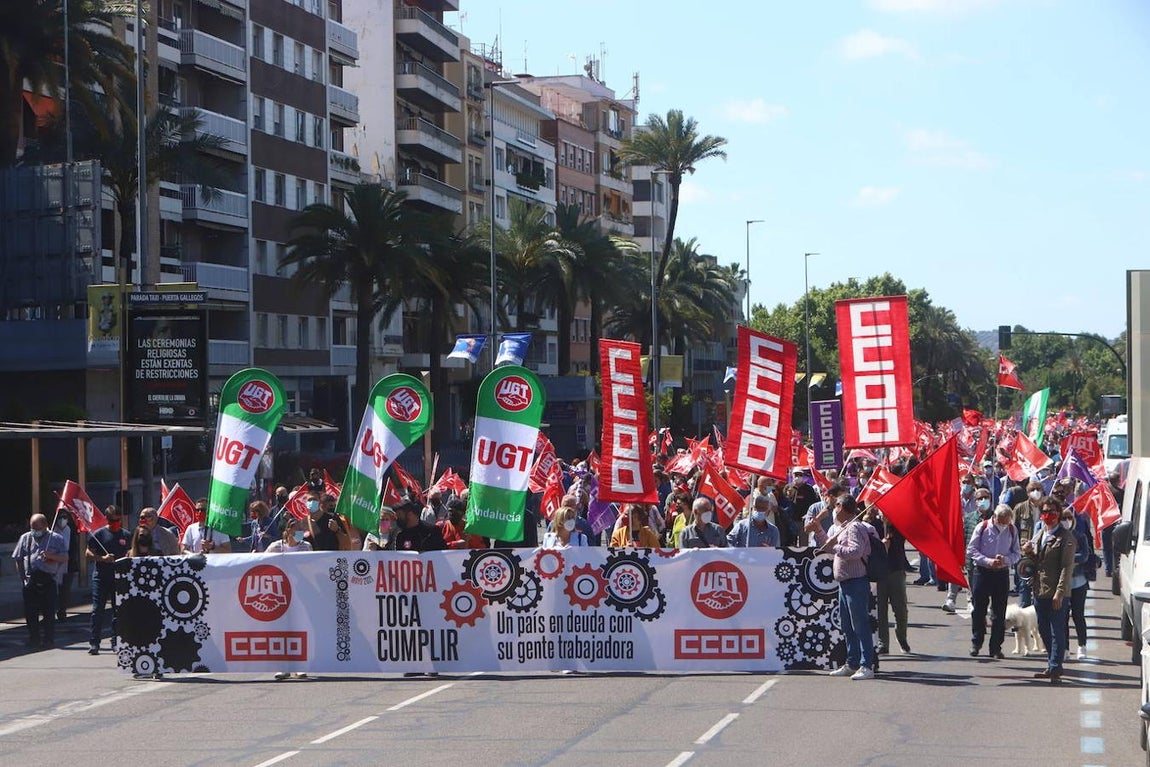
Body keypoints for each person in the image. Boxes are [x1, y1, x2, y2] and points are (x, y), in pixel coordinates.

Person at [812, 495, 875, 680]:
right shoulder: (843, 527)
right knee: (847, 626)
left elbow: (856, 552)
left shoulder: (854, 527)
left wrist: (837, 546)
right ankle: (852, 662)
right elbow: (829, 546)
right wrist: (819, 530)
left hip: (856, 582)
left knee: (860, 625)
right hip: (845, 583)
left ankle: (866, 665)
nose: (834, 509)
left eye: (836, 505)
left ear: (843, 507)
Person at [1022, 496, 1076, 683]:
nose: (1047, 515)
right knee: (1043, 628)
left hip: (1056, 591)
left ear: (1059, 514)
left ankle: (1055, 667)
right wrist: (1028, 551)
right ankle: (1051, 664)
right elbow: (1036, 560)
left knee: (1056, 631)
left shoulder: (1066, 537)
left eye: (1052, 512)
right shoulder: (1040, 533)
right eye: (1044, 512)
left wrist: (1060, 593)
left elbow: (1066, 567)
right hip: (1039, 589)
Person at [967, 504, 1021, 659]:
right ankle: (976, 643)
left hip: (1001, 574)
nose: (1004, 525)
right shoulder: (982, 527)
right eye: (1002, 521)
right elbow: (971, 550)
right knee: (979, 610)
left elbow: (1017, 553)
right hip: (982, 572)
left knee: (999, 612)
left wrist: (1006, 560)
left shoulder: (1012, 530)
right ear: (995, 517)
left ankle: (996, 647)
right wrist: (987, 561)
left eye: (1007, 522)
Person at [265, 517, 312, 681]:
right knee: (280, 630)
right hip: (279, 595)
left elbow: (309, 568)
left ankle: (299, 666)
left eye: (301, 528)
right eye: (295, 528)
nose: (299, 531)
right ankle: (281, 667)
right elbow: (263, 565)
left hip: (299, 595)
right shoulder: (275, 547)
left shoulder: (306, 547)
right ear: (288, 530)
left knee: (299, 629)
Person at [12, 513, 68, 649]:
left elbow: (64, 558)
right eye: (32, 527)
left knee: (49, 612)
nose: (34, 531)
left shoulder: (56, 539)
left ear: (45, 526)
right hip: (31, 579)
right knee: (31, 612)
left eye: (37, 528)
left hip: (48, 578)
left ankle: (48, 639)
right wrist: (23, 577)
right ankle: (33, 638)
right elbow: (18, 558)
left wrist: (51, 556)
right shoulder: (25, 538)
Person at [86, 504, 132, 655]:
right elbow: (88, 553)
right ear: (106, 519)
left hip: (119, 577)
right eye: (112, 521)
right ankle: (94, 642)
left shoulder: (126, 535)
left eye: (118, 520)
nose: (115, 523)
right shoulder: (98, 535)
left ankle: (115, 641)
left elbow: (132, 551)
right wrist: (102, 558)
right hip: (101, 576)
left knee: (117, 610)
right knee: (97, 610)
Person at [874, 509, 912, 654]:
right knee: (880, 610)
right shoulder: (874, 525)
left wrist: (891, 531)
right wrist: (881, 545)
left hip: (896, 570)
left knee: (900, 609)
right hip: (879, 573)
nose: (884, 514)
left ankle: (902, 636)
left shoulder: (898, 525)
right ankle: (883, 643)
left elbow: (905, 536)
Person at [1064, 505, 1094, 661]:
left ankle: (1082, 645)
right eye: (1063, 519)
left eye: (1069, 518)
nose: (1066, 522)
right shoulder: (1056, 537)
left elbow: (1084, 556)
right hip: (1061, 584)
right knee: (1062, 617)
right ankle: (1065, 648)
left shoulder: (1080, 536)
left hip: (1078, 582)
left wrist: (1069, 559)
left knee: (1078, 615)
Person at [54, 512, 80, 621]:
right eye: (60, 517)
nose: (62, 520)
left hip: (68, 564)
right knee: (52, 589)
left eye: (64, 517)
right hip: (53, 563)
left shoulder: (71, 531)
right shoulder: (52, 531)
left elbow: (74, 547)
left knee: (65, 589)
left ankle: (62, 611)